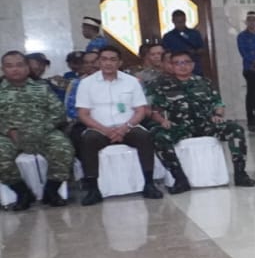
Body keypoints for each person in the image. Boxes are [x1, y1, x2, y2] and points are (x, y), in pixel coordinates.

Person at [148, 50, 255, 189]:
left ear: (192, 65)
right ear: (172, 66)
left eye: (186, 62)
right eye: (177, 63)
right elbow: (155, 111)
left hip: (206, 125)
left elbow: (218, 103)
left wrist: (218, 115)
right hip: (179, 127)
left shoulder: (204, 82)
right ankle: (179, 178)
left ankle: (240, 174)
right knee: (159, 136)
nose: (182, 66)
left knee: (235, 129)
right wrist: (162, 121)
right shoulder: (162, 85)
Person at [75, 48, 167, 204]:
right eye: (104, 59)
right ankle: (93, 189)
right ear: (98, 62)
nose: (108, 63)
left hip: (128, 126)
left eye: (113, 59)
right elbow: (83, 114)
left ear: (120, 62)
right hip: (99, 128)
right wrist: (105, 130)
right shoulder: (86, 83)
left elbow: (140, 110)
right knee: (88, 140)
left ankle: (149, 184)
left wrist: (125, 128)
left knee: (144, 137)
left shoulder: (132, 82)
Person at [0, 50, 74, 209]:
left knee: (63, 147)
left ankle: (51, 191)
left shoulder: (41, 87)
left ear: (27, 68)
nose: (15, 69)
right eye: (9, 66)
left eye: (19, 65)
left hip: (43, 133)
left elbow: (58, 112)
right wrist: (8, 130)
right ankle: (22, 193)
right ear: (3, 69)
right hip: (9, 136)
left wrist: (41, 128)